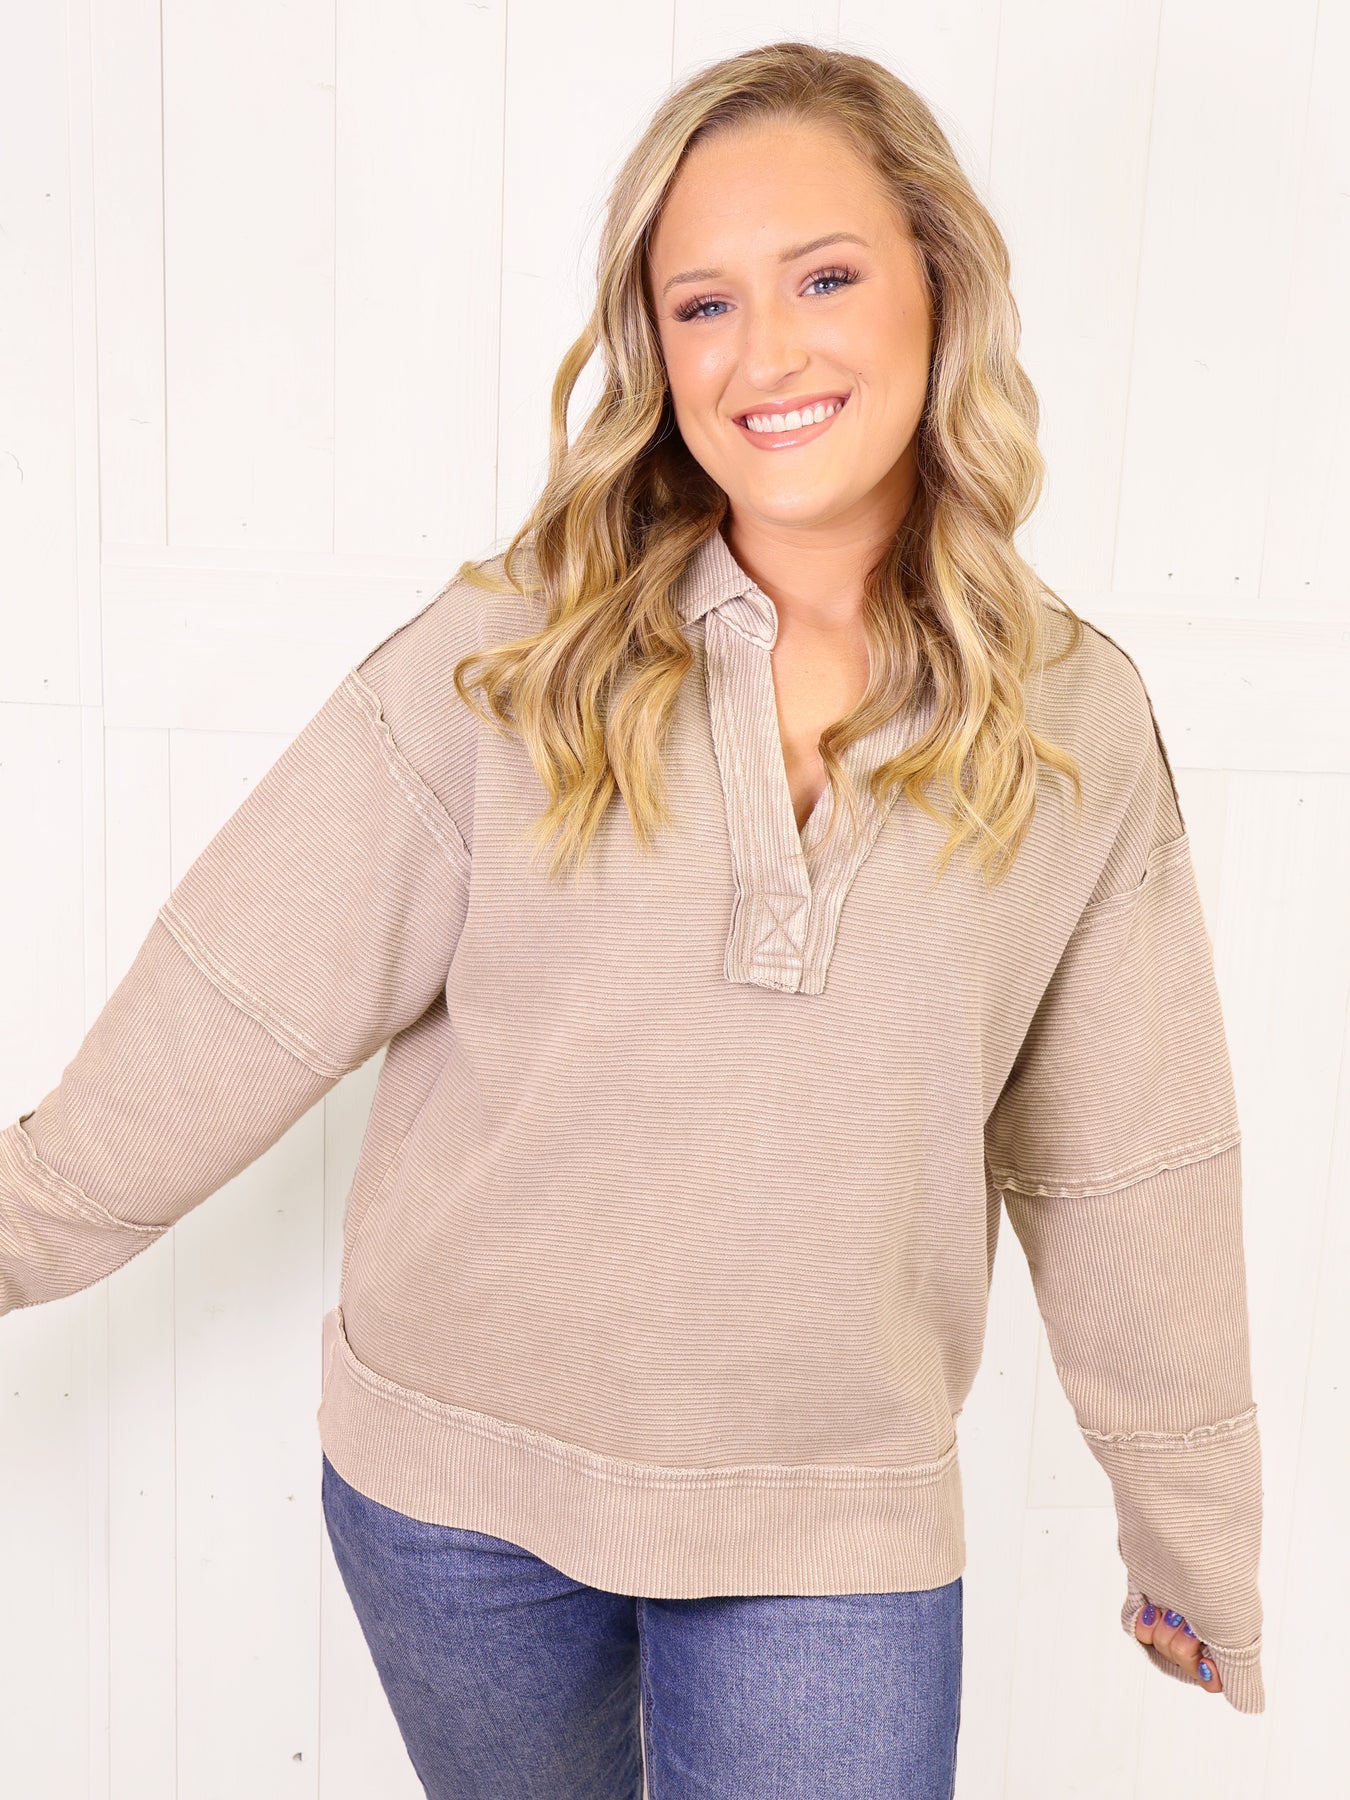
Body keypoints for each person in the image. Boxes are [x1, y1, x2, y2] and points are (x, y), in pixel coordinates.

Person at [0, 38, 1264, 1798]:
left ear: (938, 282)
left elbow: (1130, 1163)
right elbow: (232, 1003)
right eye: (702, 305)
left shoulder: (1071, 720)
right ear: (653, 348)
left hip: (832, 1527)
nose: (767, 355)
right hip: (454, 1501)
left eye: (825, 277)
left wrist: (1186, 1527)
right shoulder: (507, 658)